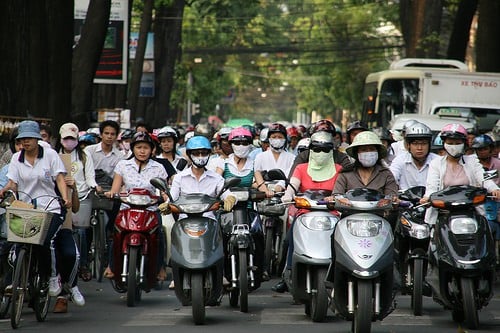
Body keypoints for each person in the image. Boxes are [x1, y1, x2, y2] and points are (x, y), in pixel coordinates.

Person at [0, 120, 84, 309]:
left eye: (30, 138)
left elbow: (60, 179)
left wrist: (65, 198)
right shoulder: (16, 159)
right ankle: (16, 280)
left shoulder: (50, 156)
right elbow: (12, 183)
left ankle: (53, 277)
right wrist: (4, 190)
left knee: (45, 241)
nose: (26, 142)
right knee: (15, 245)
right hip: (26, 208)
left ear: (37, 139)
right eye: (23, 139)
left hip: (51, 207)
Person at [272, 131, 343, 293]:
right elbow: (292, 187)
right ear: (310, 150)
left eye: (325, 150)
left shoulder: (339, 170)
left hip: (333, 214)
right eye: (317, 149)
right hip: (304, 213)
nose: (321, 153)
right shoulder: (301, 168)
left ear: (332, 151)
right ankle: (288, 273)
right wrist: (287, 196)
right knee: (290, 239)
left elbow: (343, 191)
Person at [163, 135, 237, 289]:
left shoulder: (215, 177)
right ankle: (176, 273)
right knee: (173, 235)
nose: (200, 157)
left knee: (224, 237)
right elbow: (172, 198)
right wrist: (166, 205)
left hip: (209, 220)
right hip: (184, 221)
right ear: (189, 155)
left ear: (209, 155)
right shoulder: (179, 178)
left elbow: (227, 193)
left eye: (204, 153)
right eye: (196, 153)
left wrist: (230, 199)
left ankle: (221, 272)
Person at [103, 131, 169, 281]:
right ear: (133, 148)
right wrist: (111, 193)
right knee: (116, 232)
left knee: (159, 233)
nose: (142, 151)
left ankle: (160, 267)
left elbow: (164, 191)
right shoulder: (123, 165)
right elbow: (115, 188)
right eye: (139, 147)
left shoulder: (158, 168)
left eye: (146, 147)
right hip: (127, 208)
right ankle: (111, 266)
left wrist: (166, 199)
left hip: (150, 209)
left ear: (152, 150)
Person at [215, 128, 265, 289]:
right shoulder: (223, 164)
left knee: (258, 235)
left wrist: (269, 190)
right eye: (237, 142)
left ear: (250, 145)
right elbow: (216, 182)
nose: (241, 145)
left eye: (245, 143)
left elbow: (260, 183)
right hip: (227, 211)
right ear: (231, 144)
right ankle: (220, 274)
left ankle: (259, 272)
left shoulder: (253, 163)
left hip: (249, 210)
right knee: (219, 238)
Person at [421, 124, 500, 225]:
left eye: (457, 143)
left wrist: (494, 189)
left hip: (470, 212)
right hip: (443, 213)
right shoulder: (436, 163)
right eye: (450, 143)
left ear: (464, 144)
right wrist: (428, 197)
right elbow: (432, 186)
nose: (454, 146)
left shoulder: (472, 161)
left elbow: (484, 178)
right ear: (444, 144)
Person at [56, 123, 99, 286]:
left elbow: (90, 176)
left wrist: (94, 186)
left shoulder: (84, 156)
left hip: (81, 195)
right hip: (60, 198)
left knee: (81, 232)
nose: (69, 142)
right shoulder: (54, 155)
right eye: (66, 138)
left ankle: (83, 264)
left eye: (72, 139)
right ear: (61, 139)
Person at [333, 130, 398, 201]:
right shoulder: (345, 174)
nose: (368, 152)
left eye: (372, 149)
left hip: (377, 211)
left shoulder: (386, 174)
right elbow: (336, 196)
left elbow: (392, 197)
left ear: (378, 152)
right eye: (363, 150)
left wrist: (390, 200)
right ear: (356, 153)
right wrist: (340, 200)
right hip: (350, 211)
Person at [390, 122, 438, 191]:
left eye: (424, 144)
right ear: (408, 145)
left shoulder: (437, 161)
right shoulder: (400, 160)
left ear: (429, 145)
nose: (419, 148)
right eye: (415, 144)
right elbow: (391, 179)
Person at [254, 123, 296, 197]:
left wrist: (280, 186)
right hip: (264, 197)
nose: (277, 139)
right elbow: (255, 178)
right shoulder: (260, 157)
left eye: (280, 137)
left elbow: (290, 176)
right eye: (274, 137)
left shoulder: (292, 158)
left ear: (285, 139)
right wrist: (265, 190)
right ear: (269, 139)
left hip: (285, 196)